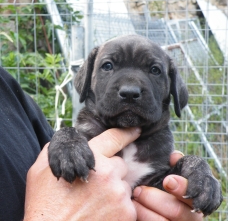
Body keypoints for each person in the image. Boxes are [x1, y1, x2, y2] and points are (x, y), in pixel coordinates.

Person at [0, 67, 203, 220]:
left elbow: (49, 160)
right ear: (88, 81)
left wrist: (194, 171)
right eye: (108, 66)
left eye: (154, 70)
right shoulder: (85, 133)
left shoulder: (6, 89)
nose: (130, 87)